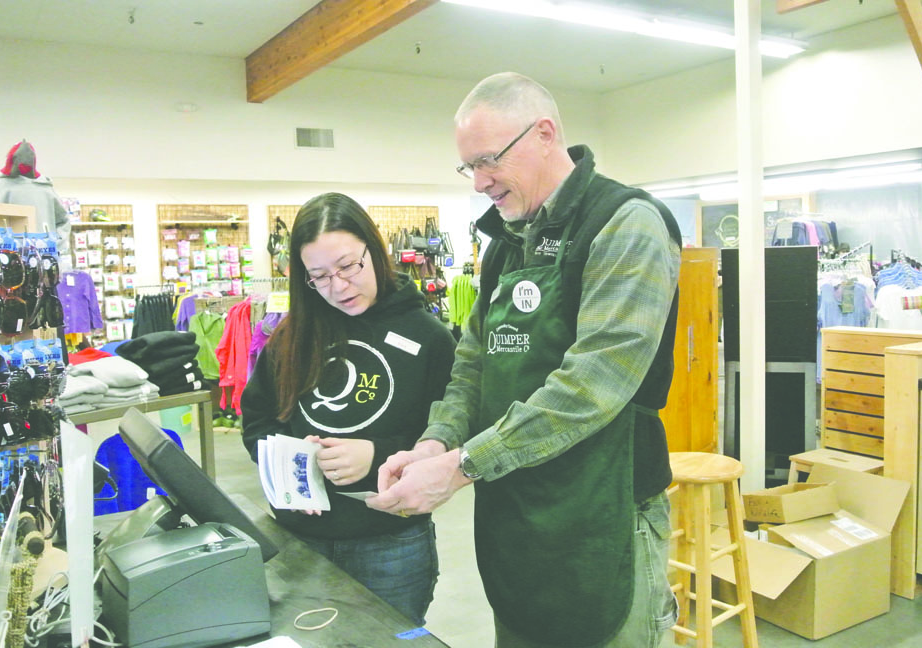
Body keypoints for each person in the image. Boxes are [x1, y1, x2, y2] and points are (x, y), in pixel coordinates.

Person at [367, 72, 683, 648]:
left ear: (544, 134)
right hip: (517, 520)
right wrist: (436, 443)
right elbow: (473, 366)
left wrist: (464, 465)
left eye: (489, 160)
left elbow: (595, 383)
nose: (481, 181)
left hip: (602, 516)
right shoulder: (506, 242)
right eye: (469, 167)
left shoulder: (625, 224)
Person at [240, 192, 456, 625]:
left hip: (390, 543)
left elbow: (448, 436)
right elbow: (258, 419)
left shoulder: (428, 336)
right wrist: (290, 468)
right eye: (318, 276)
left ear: (372, 250)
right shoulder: (290, 336)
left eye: (347, 267)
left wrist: (374, 456)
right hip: (299, 537)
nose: (338, 287)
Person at [0, 139, 71, 256]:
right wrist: (56, 246)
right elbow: (63, 222)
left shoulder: (0, 189)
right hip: (44, 257)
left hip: (10, 259)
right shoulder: (46, 190)